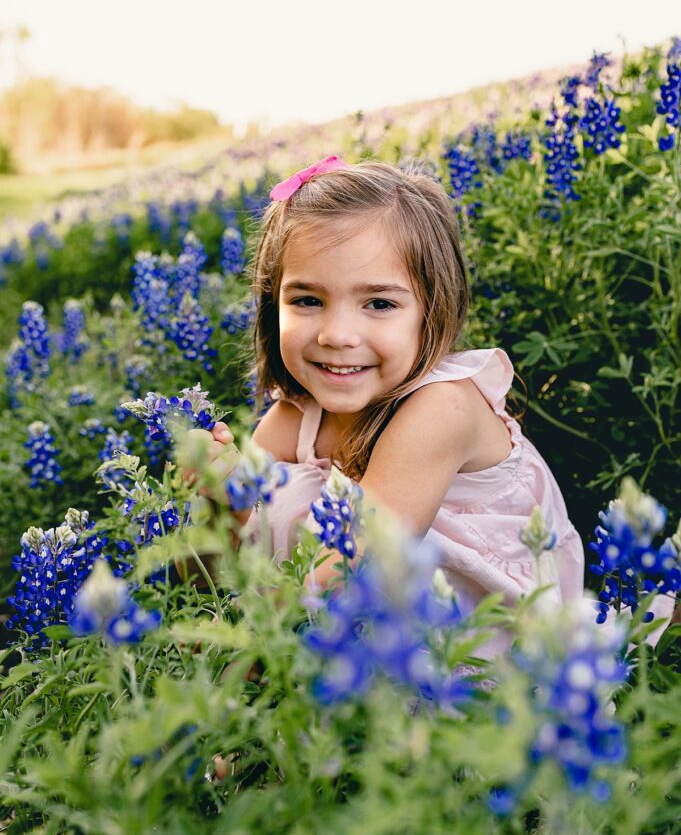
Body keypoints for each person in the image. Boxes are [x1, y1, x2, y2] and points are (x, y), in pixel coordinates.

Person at [196, 155, 589, 641]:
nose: (338, 335)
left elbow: (345, 574)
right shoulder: (290, 419)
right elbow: (214, 587)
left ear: (432, 310)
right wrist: (214, 499)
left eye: (379, 304)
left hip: (488, 665)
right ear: (272, 303)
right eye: (307, 300)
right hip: (351, 652)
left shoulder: (442, 409)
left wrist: (247, 631)